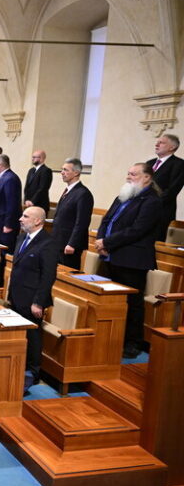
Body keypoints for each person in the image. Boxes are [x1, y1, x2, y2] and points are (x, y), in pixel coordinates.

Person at [96, 163, 163, 358]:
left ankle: (132, 342)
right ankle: (112, 337)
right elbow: (106, 220)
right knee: (111, 300)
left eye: (133, 174)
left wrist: (107, 241)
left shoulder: (151, 201)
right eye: (128, 173)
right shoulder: (123, 196)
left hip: (132, 259)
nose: (128, 177)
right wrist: (101, 241)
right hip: (111, 255)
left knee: (132, 302)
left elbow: (137, 230)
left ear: (147, 178)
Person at [9, 207, 58, 392]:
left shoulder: (48, 243)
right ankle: (19, 365)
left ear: (38, 221)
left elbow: (48, 276)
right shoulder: (21, 238)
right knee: (20, 334)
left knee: (33, 336)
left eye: (25, 216)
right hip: (17, 295)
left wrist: (38, 301)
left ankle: (33, 371)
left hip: (32, 299)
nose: (21, 219)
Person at [51, 158, 94, 269]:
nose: (62, 172)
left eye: (66, 170)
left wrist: (72, 243)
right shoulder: (68, 190)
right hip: (59, 241)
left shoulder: (83, 193)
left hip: (69, 244)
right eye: (62, 169)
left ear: (76, 173)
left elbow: (82, 222)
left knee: (67, 276)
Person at [147, 134, 184, 241]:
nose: (156, 144)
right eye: (157, 142)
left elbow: (172, 191)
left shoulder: (179, 164)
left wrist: (150, 203)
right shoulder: (150, 163)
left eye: (161, 142)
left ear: (172, 147)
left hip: (161, 212)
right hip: (142, 211)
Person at [0, 154, 22, 252]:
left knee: (4, 251)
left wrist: (8, 224)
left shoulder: (10, 179)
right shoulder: (0, 177)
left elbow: (12, 203)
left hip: (3, 224)